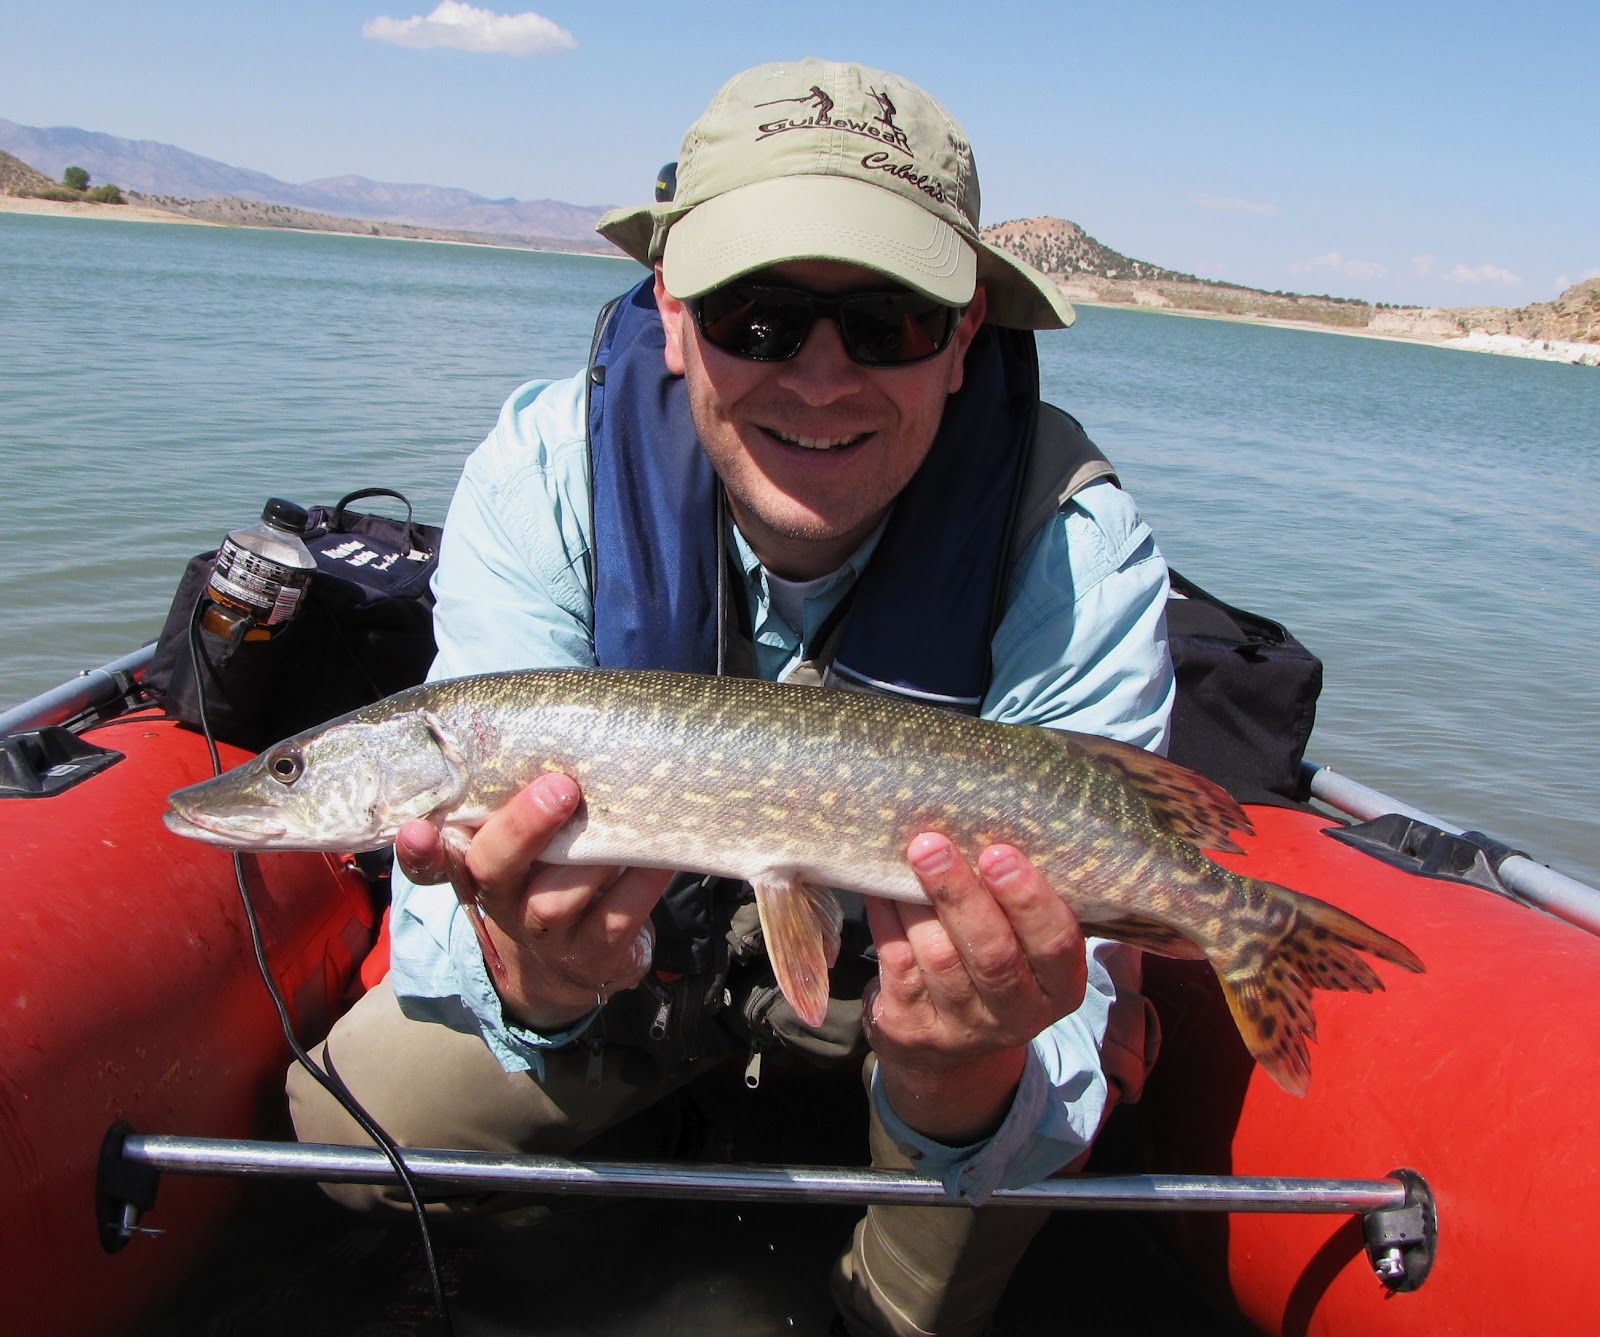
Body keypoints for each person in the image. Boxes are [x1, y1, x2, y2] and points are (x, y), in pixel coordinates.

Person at [289, 57, 1173, 1337]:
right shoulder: (546, 472)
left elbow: (1079, 1001)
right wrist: (539, 979)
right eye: (754, 315)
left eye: (888, 322)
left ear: (967, 328)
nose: (818, 379)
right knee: (344, 1129)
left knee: (916, 1309)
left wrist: (956, 1068)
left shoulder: (1071, 551)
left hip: (918, 1022)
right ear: (669, 306)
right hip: (640, 981)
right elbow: (441, 935)